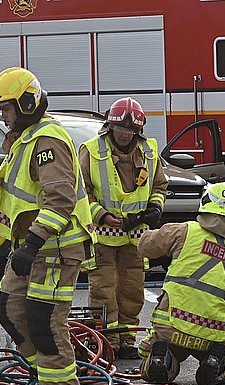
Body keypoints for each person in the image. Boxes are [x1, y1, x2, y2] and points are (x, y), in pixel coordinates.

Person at [0, 67, 95, 385]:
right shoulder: (26, 138)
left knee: (44, 319)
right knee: (11, 311)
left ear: (27, 103)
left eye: (6, 108)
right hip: (32, 248)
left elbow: (58, 201)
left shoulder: (47, 141)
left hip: (55, 248)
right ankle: (44, 375)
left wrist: (31, 244)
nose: (2, 115)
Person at [137, 181, 225, 385]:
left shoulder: (185, 231)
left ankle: (162, 361)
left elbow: (145, 246)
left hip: (171, 327)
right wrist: (224, 329)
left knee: (147, 353)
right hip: (213, 333)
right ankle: (217, 363)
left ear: (205, 203)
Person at [79, 97, 168, 358]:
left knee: (132, 289)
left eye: (130, 131)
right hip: (103, 236)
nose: (125, 135)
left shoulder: (149, 151)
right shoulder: (92, 150)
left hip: (136, 237)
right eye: (120, 130)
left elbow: (160, 187)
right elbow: (82, 193)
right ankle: (105, 342)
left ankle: (126, 340)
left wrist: (155, 208)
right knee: (103, 290)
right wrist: (102, 216)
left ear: (138, 131)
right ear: (110, 127)